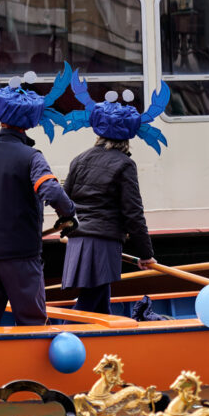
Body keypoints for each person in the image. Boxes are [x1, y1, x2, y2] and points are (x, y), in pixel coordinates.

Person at [0, 64, 77, 326]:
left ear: (0, 118)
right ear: (32, 121)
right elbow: (52, 190)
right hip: (21, 256)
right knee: (31, 320)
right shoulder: (31, 157)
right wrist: (68, 213)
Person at [61, 92, 163, 314]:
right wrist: (146, 254)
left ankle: (102, 343)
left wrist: (69, 231)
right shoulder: (125, 164)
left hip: (79, 240)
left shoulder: (80, 159)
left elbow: (64, 199)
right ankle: (65, 338)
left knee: (99, 301)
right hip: (103, 243)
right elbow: (133, 214)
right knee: (89, 302)